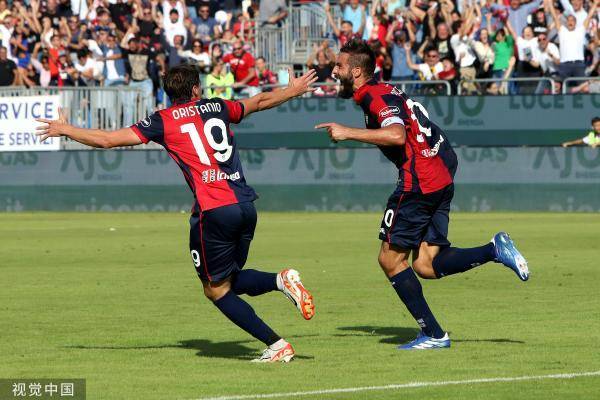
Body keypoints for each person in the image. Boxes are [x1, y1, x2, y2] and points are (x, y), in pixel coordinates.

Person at [36, 64, 319, 363]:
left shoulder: (162, 120)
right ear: (196, 89)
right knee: (228, 279)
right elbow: (259, 102)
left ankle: (276, 344)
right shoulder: (217, 106)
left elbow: (107, 140)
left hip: (214, 210)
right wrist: (292, 90)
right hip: (246, 205)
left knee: (215, 290)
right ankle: (281, 281)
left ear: (168, 93)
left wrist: (64, 129)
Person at [315, 39, 529, 350]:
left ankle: (433, 333)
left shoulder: (374, 95)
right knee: (427, 264)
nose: (334, 71)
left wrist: (347, 132)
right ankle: (494, 250)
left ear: (357, 71)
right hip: (439, 174)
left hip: (419, 181)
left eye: (339, 66)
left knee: (390, 259)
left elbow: (396, 134)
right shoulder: (383, 89)